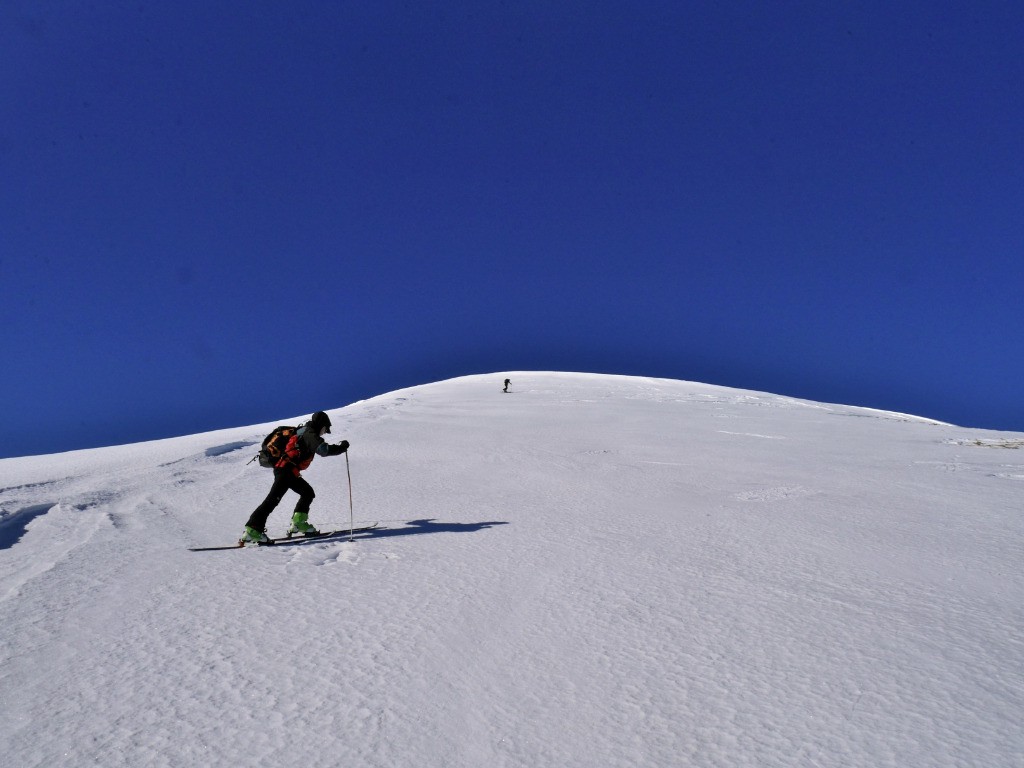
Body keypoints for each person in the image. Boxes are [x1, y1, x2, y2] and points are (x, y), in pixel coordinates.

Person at [241, 411, 349, 544]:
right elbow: (323, 450)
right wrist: (342, 447)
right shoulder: (310, 433)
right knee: (273, 498)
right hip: (285, 470)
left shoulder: (304, 432)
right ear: (321, 425)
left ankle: (299, 523)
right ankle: (253, 529)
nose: (325, 432)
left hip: (289, 471)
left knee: (307, 493)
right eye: (325, 429)